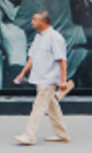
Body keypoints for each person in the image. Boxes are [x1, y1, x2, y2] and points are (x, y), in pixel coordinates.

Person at [12, 11, 71, 145]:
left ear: (43, 22)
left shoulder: (54, 37)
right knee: (52, 107)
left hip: (48, 79)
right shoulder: (38, 37)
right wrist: (23, 73)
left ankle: (29, 135)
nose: (32, 22)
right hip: (39, 77)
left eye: (34, 20)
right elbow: (32, 57)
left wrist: (63, 80)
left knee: (38, 106)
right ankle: (62, 134)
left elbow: (62, 60)